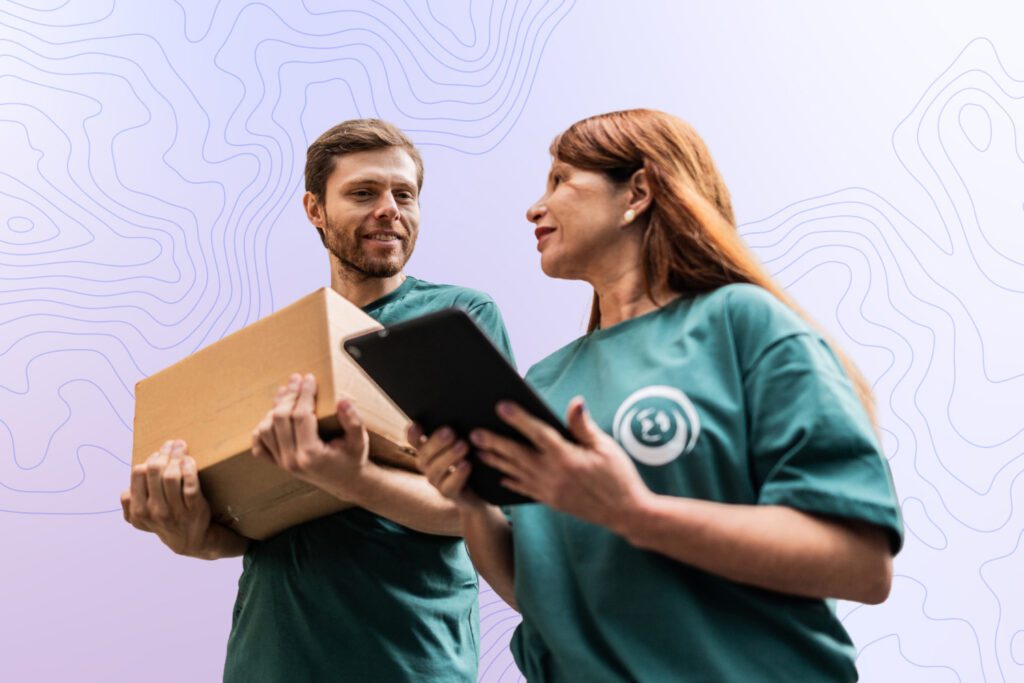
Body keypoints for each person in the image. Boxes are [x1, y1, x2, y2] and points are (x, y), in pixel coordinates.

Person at [414, 109, 903, 682]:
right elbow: (545, 592)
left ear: (638, 192)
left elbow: (862, 565)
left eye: (560, 180)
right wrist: (471, 504)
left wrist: (635, 514)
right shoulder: (542, 383)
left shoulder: (744, 326)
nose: (534, 208)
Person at [121, 119, 514, 682]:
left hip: (407, 657)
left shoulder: (455, 320)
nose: (390, 209)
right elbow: (263, 514)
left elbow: (480, 511)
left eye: (404, 194)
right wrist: (197, 537)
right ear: (315, 210)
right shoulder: (284, 349)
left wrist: (349, 477)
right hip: (270, 657)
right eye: (363, 193)